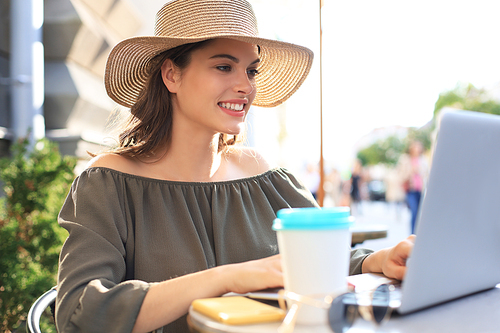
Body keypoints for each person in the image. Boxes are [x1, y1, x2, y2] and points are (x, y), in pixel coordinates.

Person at [55, 1, 415, 332]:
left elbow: (320, 257)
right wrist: (227, 278)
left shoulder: (264, 175)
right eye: (224, 66)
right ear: (171, 75)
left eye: (252, 70)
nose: (245, 86)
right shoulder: (107, 183)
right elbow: (80, 313)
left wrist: (381, 261)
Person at [397, 140, 429, 234]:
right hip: (410, 190)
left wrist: (420, 171)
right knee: (414, 211)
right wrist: (411, 171)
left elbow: (427, 174)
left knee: (420, 213)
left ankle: (419, 234)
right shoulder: (405, 159)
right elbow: (400, 175)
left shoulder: (423, 159)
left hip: (421, 190)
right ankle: (413, 234)